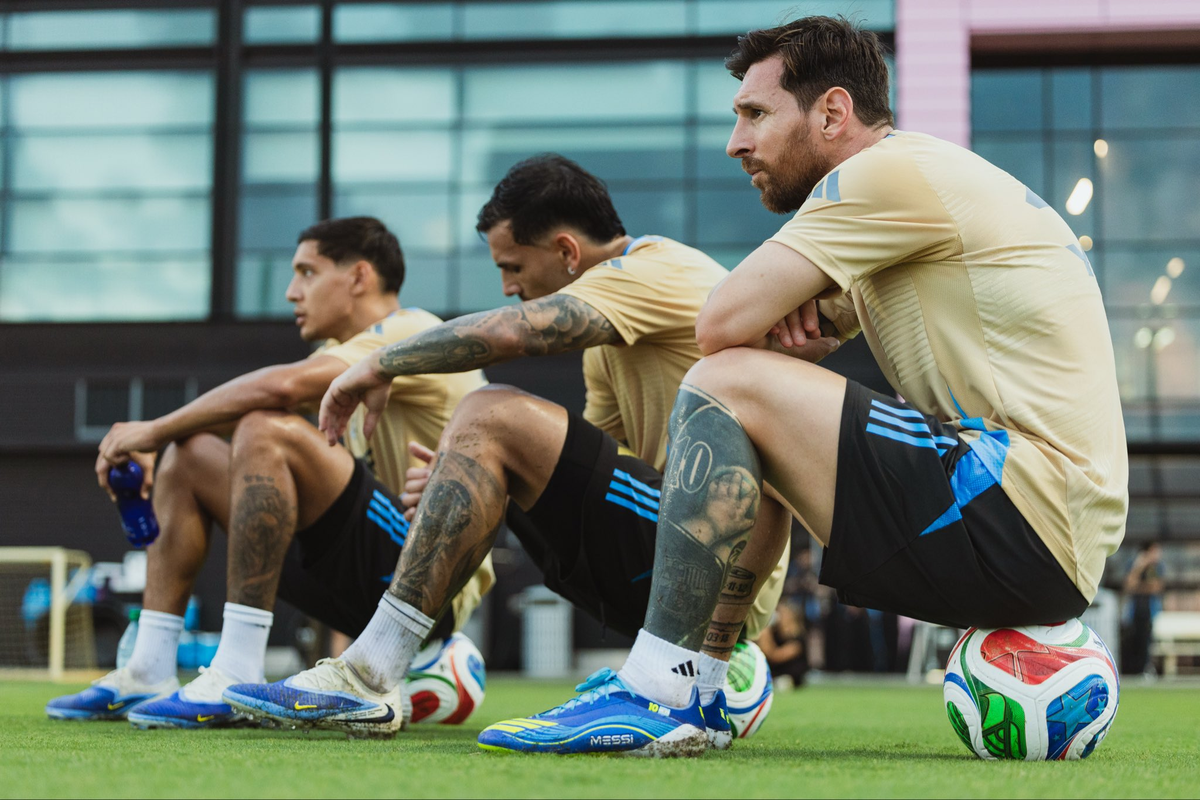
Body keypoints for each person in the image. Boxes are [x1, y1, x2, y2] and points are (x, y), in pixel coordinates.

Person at [485, 15, 1128, 756]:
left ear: (832, 113)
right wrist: (778, 354)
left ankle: (663, 689)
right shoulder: (917, 197)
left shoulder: (883, 173)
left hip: (1019, 510)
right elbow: (764, 338)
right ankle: (702, 680)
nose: (737, 143)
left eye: (756, 114)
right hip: (1040, 534)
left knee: (729, 382)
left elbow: (721, 326)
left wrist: (762, 353)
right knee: (756, 397)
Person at [221, 154, 824, 743]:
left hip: (717, 568)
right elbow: (591, 476)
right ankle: (409, 662)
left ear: (566, 252)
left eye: (512, 267)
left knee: (492, 410)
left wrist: (379, 365)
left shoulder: (661, 270)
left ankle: (372, 672)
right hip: (660, 563)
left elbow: (523, 331)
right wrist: (462, 478)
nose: (509, 287)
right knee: (489, 432)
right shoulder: (608, 347)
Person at [46, 217, 491, 728]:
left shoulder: (413, 332)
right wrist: (167, 440)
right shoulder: (330, 357)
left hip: (426, 589)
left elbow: (279, 395)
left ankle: (235, 670)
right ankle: (148, 667)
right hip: (353, 581)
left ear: (359, 277)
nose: (290, 292)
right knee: (190, 454)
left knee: (264, 425)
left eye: (307, 272)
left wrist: (152, 429)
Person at [1123, 541, 1164, 674]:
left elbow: (1155, 587)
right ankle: (1133, 670)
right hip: (1134, 611)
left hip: (1150, 610)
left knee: (1147, 640)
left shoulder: (1156, 568)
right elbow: (1129, 586)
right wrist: (1139, 566)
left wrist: (1139, 587)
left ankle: (1145, 668)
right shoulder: (1135, 565)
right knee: (1133, 640)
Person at [757, 602, 808, 689]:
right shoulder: (775, 634)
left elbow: (775, 656)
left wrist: (766, 633)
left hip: (791, 678)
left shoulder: (797, 638)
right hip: (774, 675)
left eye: (782, 614)